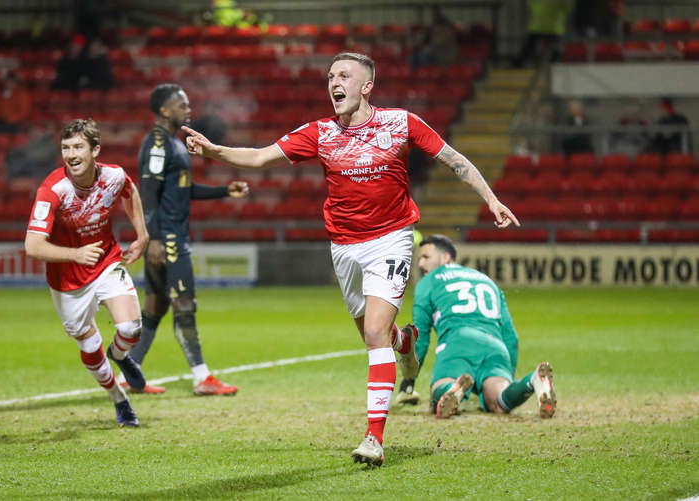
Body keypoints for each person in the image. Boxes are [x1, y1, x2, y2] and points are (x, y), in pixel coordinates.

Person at [181, 52, 519, 466]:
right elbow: (260, 156)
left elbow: (453, 160)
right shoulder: (320, 132)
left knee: (376, 333)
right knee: (376, 336)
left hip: (391, 240)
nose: (333, 82)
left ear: (366, 86)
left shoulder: (400, 123)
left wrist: (492, 199)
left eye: (344, 75)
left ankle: (373, 439)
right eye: (330, 76)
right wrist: (214, 152)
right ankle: (407, 342)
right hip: (344, 247)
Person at [124, 83, 249, 396]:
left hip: (168, 236)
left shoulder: (174, 142)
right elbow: (149, 192)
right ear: (165, 110)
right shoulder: (156, 143)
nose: (188, 109)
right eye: (182, 104)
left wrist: (224, 191)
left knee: (155, 306)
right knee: (184, 304)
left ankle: (132, 373)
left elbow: (184, 190)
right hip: (167, 239)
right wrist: (151, 238)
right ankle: (202, 377)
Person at [24, 118, 150, 427]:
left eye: (78, 147)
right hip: (67, 281)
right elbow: (32, 245)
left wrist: (142, 235)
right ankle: (120, 400)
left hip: (105, 262)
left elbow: (129, 190)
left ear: (95, 150)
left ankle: (120, 355)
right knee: (90, 349)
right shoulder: (52, 190)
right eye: (65, 148)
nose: (70, 154)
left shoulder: (113, 175)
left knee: (131, 328)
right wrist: (75, 254)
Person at [399, 234, 555, 420]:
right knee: (498, 401)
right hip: (495, 346)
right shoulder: (485, 279)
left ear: (445, 258)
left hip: (458, 343)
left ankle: (452, 389)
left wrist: (409, 380)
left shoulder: (428, 282)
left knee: (438, 397)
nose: (420, 264)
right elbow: (511, 336)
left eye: (426, 257)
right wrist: (506, 375)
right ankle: (532, 380)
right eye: (419, 259)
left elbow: (421, 336)